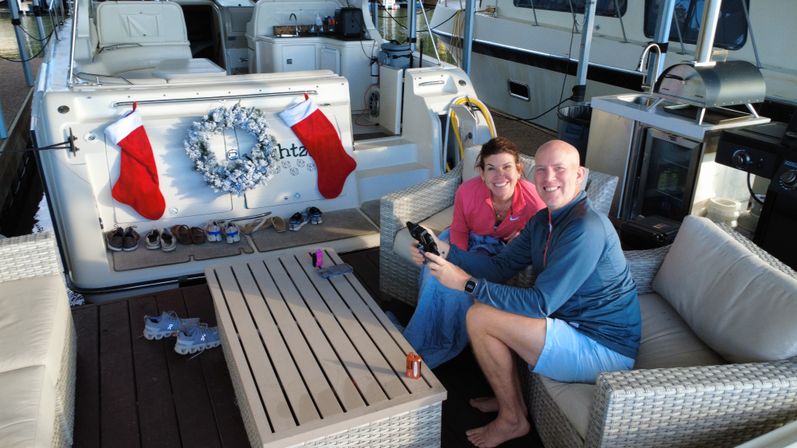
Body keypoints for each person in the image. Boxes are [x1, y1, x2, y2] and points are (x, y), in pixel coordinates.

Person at [416, 140, 640, 447]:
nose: (549, 179)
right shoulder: (543, 220)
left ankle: (512, 420)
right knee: (484, 311)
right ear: (533, 176)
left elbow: (539, 304)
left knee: (480, 316)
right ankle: (509, 398)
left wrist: (467, 284)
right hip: (570, 326)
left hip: (603, 348)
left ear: (580, 175)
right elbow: (499, 266)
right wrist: (445, 251)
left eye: (559, 169)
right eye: (543, 170)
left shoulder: (585, 228)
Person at [403, 136, 545, 369]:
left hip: (500, 251)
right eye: (491, 169)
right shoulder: (467, 191)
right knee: (436, 277)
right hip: (463, 241)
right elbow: (458, 229)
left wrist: (525, 237)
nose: (500, 176)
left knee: (458, 287)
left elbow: (542, 236)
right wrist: (458, 265)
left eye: (507, 167)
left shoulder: (534, 200)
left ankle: (438, 346)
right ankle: (418, 341)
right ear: (482, 173)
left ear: (519, 170)